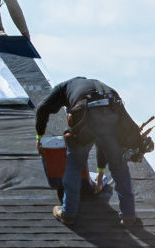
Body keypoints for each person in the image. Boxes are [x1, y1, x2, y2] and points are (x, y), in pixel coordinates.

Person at [35, 77, 143, 228]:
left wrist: (39, 136)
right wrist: (100, 174)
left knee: (75, 162)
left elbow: (42, 108)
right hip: (113, 110)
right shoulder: (99, 86)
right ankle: (128, 216)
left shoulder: (63, 89)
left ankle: (68, 213)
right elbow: (104, 142)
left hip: (86, 113)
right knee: (119, 166)